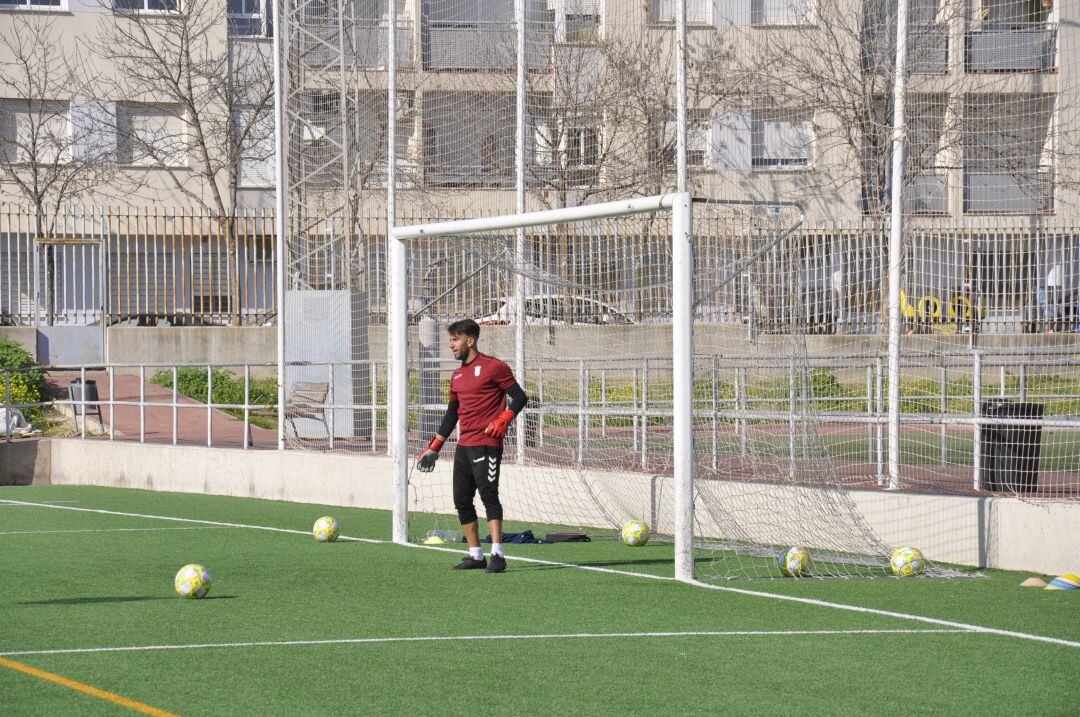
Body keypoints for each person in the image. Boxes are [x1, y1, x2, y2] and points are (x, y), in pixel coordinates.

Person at [416, 318, 528, 573]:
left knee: (489, 496)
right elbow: (452, 414)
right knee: (462, 500)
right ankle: (476, 555)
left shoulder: (493, 367)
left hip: (487, 444)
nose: (451, 345)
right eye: (450, 340)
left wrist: (505, 418)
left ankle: (497, 554)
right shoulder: (456, 375)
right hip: (464, 446)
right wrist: (435, 447)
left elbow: (520, 397)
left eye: (455, 340)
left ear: (471, 340)